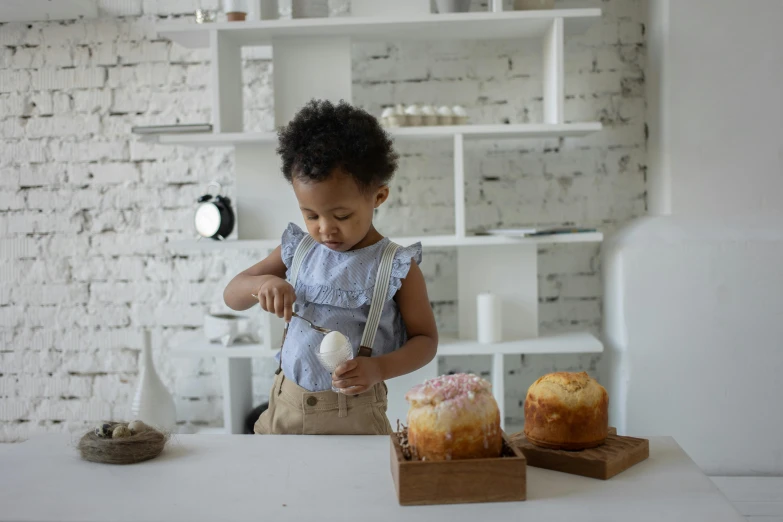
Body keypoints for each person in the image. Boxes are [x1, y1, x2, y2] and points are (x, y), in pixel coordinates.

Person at [224, 100, 438, 435]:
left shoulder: (395, 267)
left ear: (378, 197)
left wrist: (377, 368)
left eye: (341, 216)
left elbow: (425, 341)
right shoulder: (299, 249)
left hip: (355, 420)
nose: (325, 228)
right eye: (311, 215)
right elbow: (232, 295)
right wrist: (262, 284)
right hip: (284, 411)